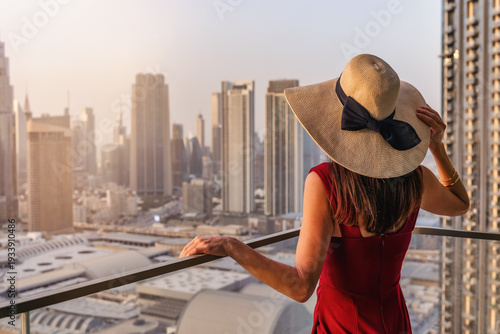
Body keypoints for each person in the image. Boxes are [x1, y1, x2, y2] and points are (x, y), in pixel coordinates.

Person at [179, 54, 469, 333]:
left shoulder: (325, 182)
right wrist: (437, 149)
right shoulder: (415, 179)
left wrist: (233, 247)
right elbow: (460, 204)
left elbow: (301, 286)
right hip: (394, 323)